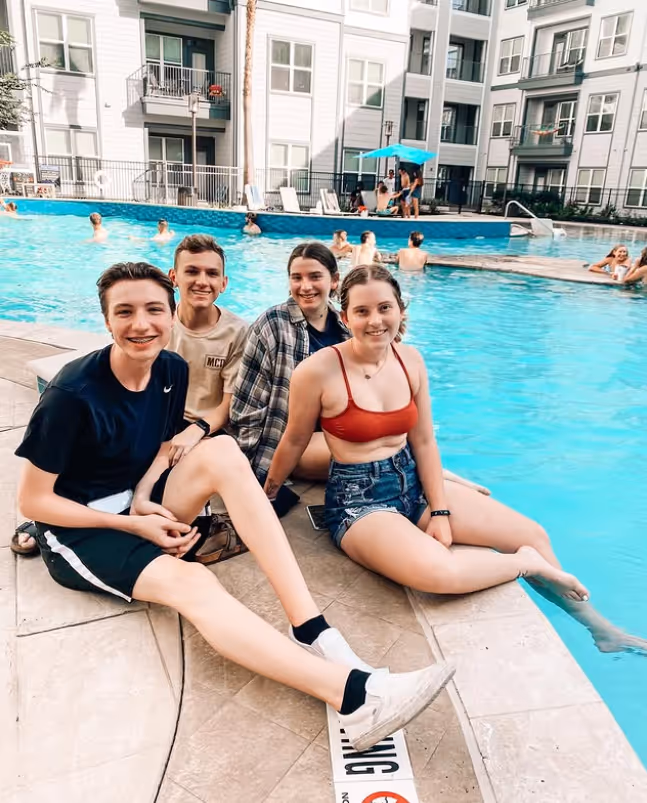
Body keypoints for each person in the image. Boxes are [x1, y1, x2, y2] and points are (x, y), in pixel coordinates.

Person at [14, 259, 455, 750]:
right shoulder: (71, 395)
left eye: (154, 309)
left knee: (222, 450)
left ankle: (312, 629)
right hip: (79, 529)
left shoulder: (169, 369)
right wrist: (135, 528)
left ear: (172, 309)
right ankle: (355, 700)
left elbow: (161, 449)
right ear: (106, 319)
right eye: (125, 312)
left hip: (137, 504)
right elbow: (33, 500)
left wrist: (143, 498)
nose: (142, 324)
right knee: (192, 582)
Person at [264, 264, 647, 655]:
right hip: (360, 503)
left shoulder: (410, 360)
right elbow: (293, 439)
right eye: (362, 311)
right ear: (345, 317)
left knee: (531, 533)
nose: (375, 320)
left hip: (412, 484)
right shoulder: (317, 371)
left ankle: (601, 629)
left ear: (400, 310)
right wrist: (268, 492)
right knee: (438, 572)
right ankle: (527, 564)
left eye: (384, 308)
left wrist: (442, 511)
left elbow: (425, 441)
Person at [167, 234, 248, 462]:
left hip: (210, 427)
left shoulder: (238, 332)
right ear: (173, 277)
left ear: (223, 283)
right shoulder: (159, 323)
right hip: (162, 423)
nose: (202, 281)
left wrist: (198, 429)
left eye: (212, 273)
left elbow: (228, 404)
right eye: (192, 271)